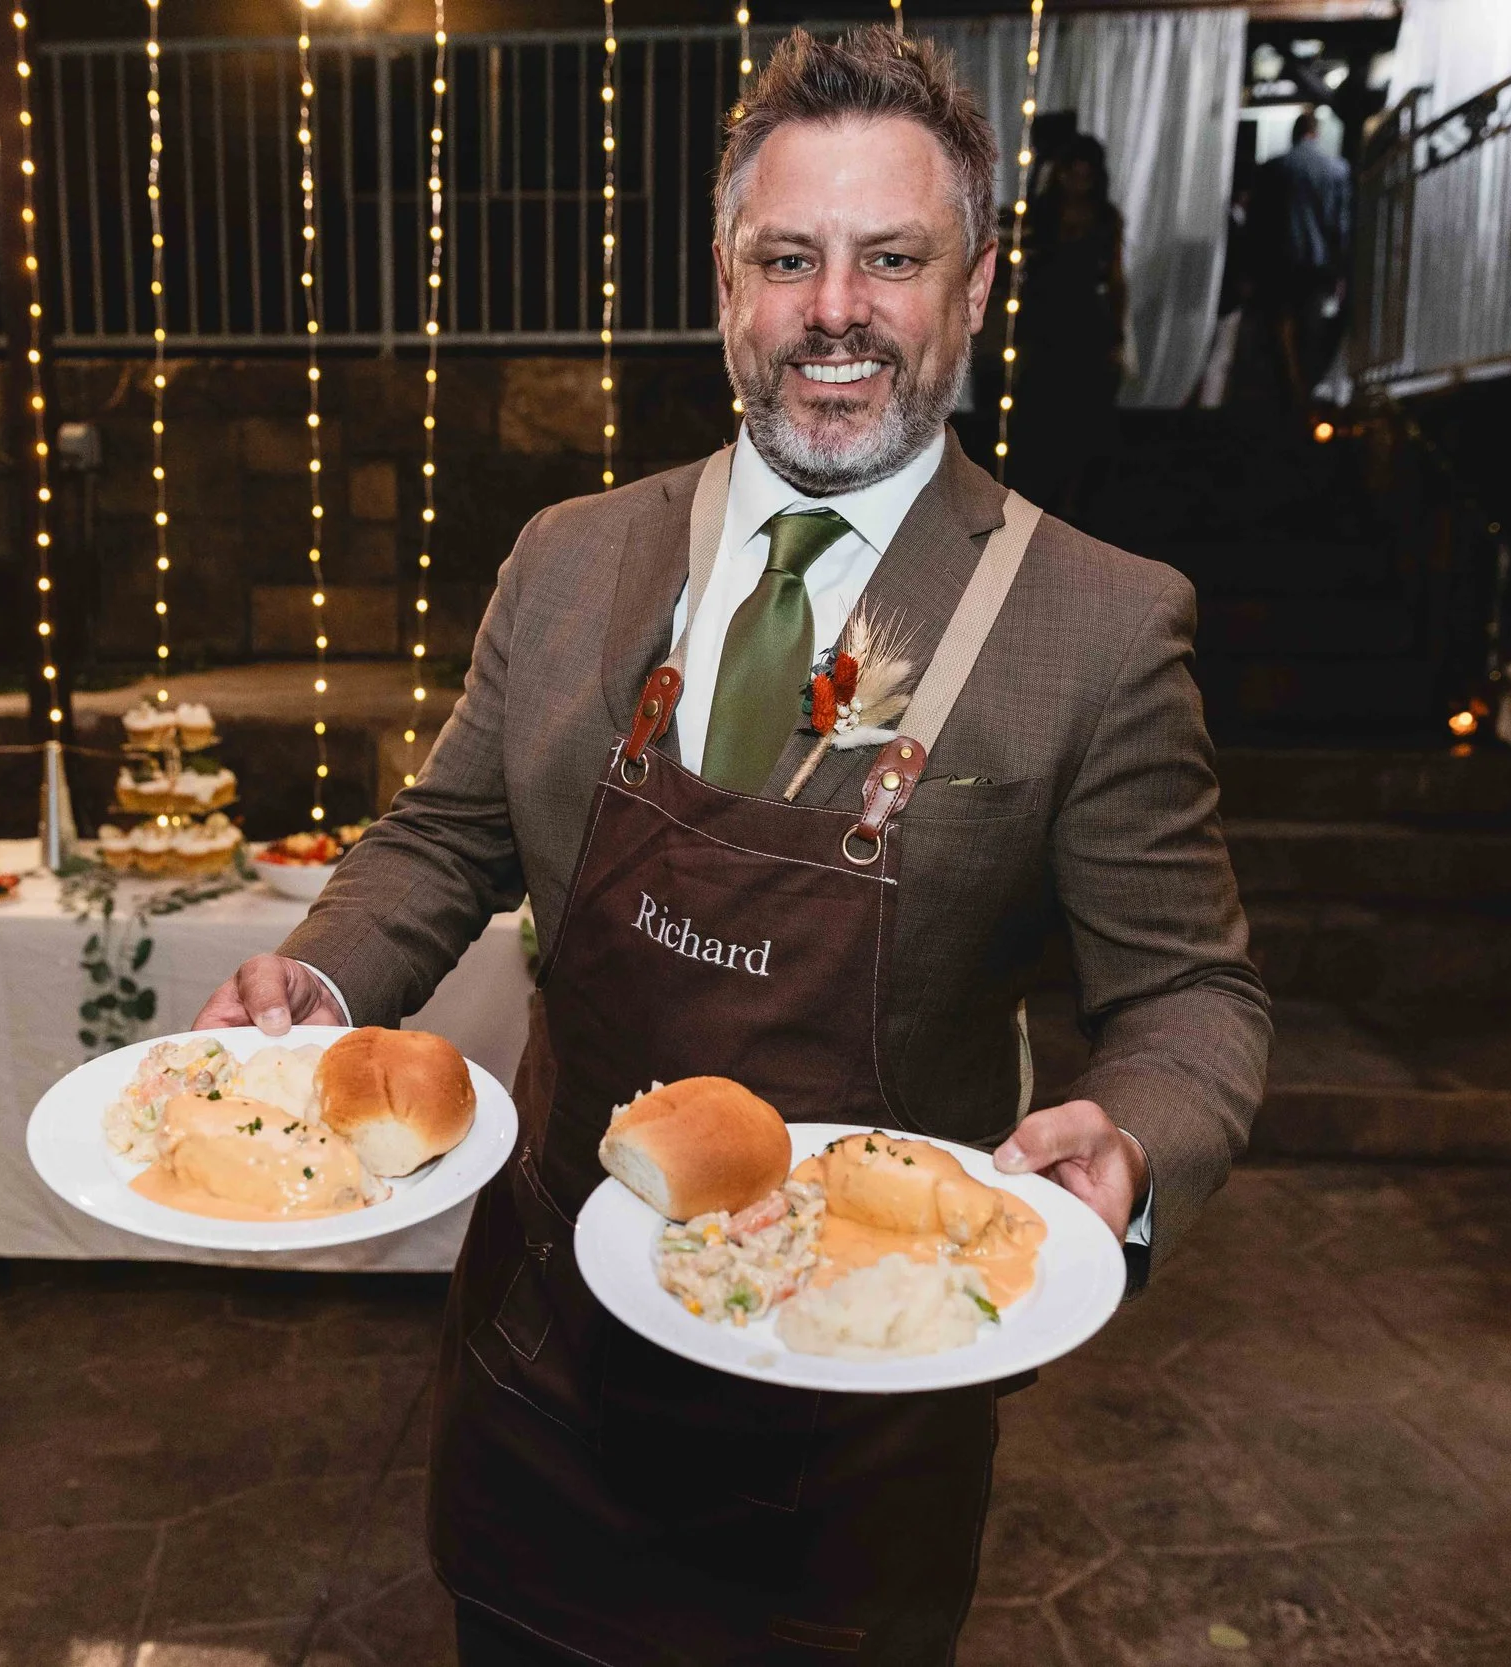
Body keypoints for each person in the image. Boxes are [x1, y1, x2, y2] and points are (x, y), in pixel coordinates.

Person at [197, 26, 1269, 1664]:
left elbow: (1194, 998)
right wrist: (321, 981)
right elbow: (444, 835)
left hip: (859, 1413)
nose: (835, 308)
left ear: (975, 287)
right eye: (788, 258)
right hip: (544, 1381)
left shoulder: (1098, 626)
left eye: (891, 257)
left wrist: (1133, 1140)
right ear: (727, 287)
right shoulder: (570, 557)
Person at [1009, 132, 1129, 517]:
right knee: (1041, 412)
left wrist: (1117, 334)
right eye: (1071, 173)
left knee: (1083, 416)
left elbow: (1115, 279)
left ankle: (1070, 501)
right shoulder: (1041, 215)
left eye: (1084, 174)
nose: (1077, 181)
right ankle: (1039, 497)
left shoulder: (1106, 218)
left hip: (1086, 322)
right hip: (1046, 321)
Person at [1250, 107, 1351, 418]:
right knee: (1312, 329)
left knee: (1282, 327)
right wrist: (1341, 269)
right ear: (1316, 134)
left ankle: (1288, 392)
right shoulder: (1336, 170)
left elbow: (1259, 222)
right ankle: (1307, 394)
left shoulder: (1273, 169)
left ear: (1294, 134)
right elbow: (1341, 225)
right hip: (1317, 265)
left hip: (1280, 261)